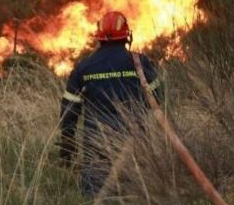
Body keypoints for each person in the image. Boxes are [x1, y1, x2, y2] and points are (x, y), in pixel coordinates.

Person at [58, 11, 162, 195]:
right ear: (127, 36)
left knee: (95, 199)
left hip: (96, 142)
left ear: (99, 38)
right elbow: (158, 98)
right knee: (134, 196)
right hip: (133, 141)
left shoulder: (84, 67)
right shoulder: (139, 62)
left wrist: (67, 144)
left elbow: (69, 111)